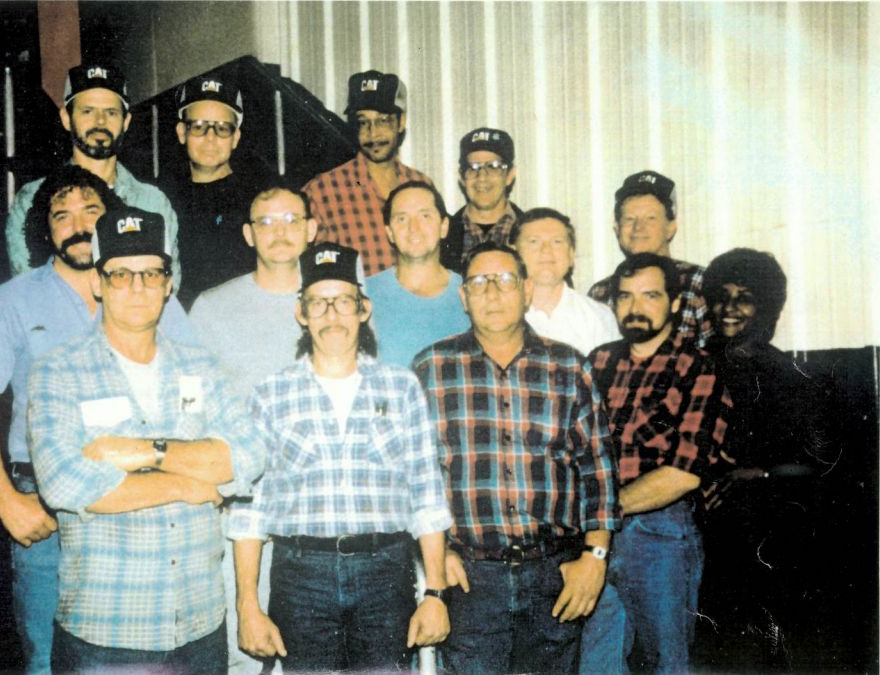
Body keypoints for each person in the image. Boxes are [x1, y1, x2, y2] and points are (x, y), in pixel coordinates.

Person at [0, 166, 193, 674]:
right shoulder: (11, 301)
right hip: (48, 513)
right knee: (49, 662)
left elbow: (199, 394)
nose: (78, 225)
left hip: (143, 503)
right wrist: (5, 501)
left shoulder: (149, 292)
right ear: (46, 229)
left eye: (91, 212)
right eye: (62, 216)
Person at [26, 205, 263, 673]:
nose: (137, 288)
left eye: (150, 273)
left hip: (200, 627)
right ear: (97, 282)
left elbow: (247, 456)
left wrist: (142, 452)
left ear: (168, 283)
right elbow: (65, 483)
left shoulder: (203, 367)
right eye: (120, 275)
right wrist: (185, 484)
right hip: (107, 634)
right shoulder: (58, 370)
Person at [229, 243, 453, 673]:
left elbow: (427, 497)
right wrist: (247, 607)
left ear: (363, 309)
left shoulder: (401, 388)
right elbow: (248, 514)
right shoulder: (271, 394)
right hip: (300, 578)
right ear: (302, 312)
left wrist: (435, 594)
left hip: (385, 574)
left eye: (343, 302)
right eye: (319, 303)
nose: (332, 315)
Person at [413, 242, 621, 674]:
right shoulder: (431, 368)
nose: (492, 292)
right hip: (468, 577)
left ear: (526, 290)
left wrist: (595, 559)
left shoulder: (568, 366)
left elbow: (598, 467)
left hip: (555, 574)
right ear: (463, 296)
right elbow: (414, 476)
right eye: (479, 282)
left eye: (505, 280)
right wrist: (438, 558)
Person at [186, 185, 318, 674]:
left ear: (311, 229)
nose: (279, 232)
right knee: (246, 652)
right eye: (266, 221)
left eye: (291, 219)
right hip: (243, 511)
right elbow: (190, 406)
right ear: (247, 234)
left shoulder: (335, 301)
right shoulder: (214, 307)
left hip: (321, 513)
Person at [580, 253, 731, 674]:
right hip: (596, 535)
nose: (635, 307)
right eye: (625, 296)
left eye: (650, 296)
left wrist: (604, 510)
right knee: (596, 660)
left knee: (668, 663)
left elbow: (684, 473)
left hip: (661, 535)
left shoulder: (697, 368)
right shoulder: (597, 362)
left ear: (675, 303)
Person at [698, 248, 828, 670]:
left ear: (766, 305)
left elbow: (818, 460)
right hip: (699, 524)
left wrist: (756, 474)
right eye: (722, 295)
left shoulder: (786, 374)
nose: (729, 307)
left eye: (744, 296)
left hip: (765, 527)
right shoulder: (692, 364)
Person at [5, 62, 182, 290]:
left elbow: (168, 287)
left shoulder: (152, 203)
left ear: (126, 122)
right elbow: (26, 290)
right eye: (87, 111)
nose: (100, 121)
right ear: (67, 118)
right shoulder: (32, 199)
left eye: (111, 112)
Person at [303, 70, 433, 276]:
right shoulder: (322, 191)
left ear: (401, 122)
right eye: (363, 122)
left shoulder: (421, 185)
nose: (373, 134)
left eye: (383, 120)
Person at [168, 71, 273, 310]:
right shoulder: (163, 199)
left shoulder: (259, 199)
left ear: (235, 137)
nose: (210, 138)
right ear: (181, 133)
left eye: (222, 128)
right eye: (198, 126)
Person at [587, 171, 711, 347]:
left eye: (651, 218)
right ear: (616, 228)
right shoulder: (600, 293)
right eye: (629, 219)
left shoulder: (700, 283)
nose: (638, 227)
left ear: (671, 227)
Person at [367, 181, 469, 368]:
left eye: (425, 216)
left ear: (444, 226)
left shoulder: (471, 294)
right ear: (389, 232)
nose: (414, 228)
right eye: (402, 219)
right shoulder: (365, 294)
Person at [510, 207, 619, 355]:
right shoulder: (498, 315)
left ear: (571, 254)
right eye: (534, 241)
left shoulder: (600, 318)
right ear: (513, 253)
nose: (546, 250)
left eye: (557, 241)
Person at [442, 128, 524, 273]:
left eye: (493, 166)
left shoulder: (530, 233)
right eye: (473, 168)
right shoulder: (442, 235)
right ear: (462, 177)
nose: (482, 177)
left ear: (510, 175)